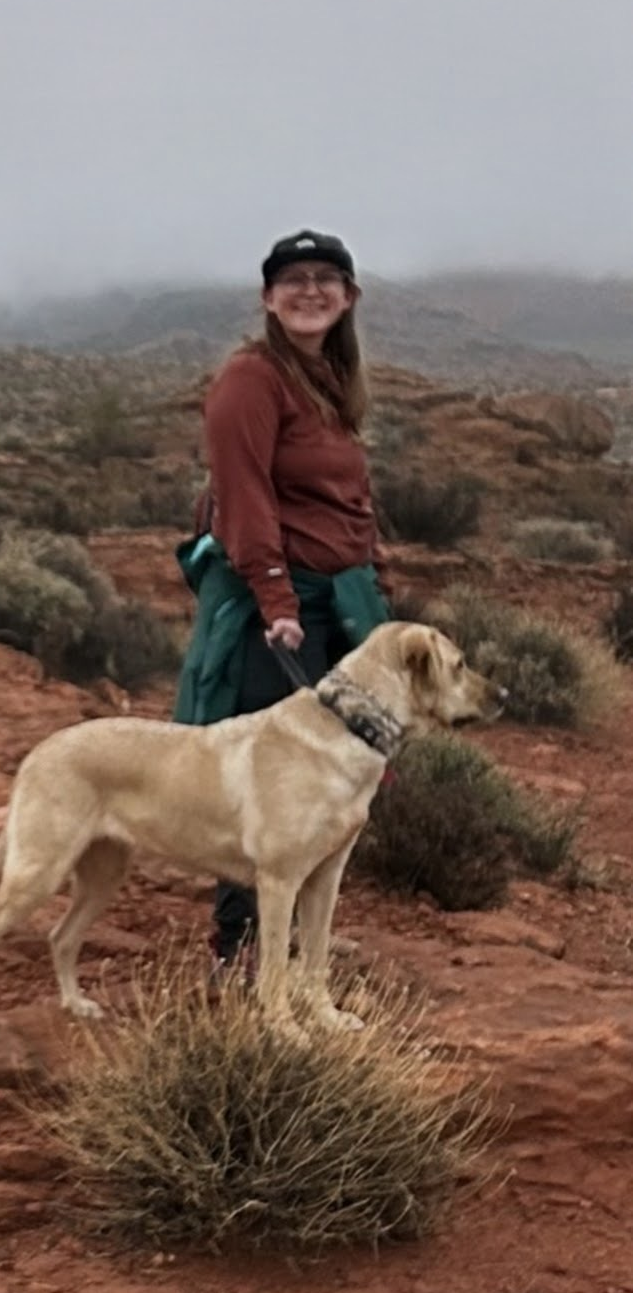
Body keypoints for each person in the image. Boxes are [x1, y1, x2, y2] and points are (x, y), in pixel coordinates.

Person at [172, 227, 392, 966]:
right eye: (292, 278)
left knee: (329, 770)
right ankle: (239, 950)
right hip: (280, 604)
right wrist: (277, 602)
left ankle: (298, 940)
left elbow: (346, 499)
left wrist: (372, 574)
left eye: (325, 278)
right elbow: (244, 494)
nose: (309, 289)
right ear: (268, 297)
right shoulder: (251, 379)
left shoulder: (329, 381)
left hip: (337, 599)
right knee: (269, 776)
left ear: (348, 296)